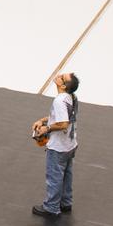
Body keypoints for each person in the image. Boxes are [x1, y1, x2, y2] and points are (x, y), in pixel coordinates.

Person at [32, 72, 79, 218]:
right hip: (70, 144)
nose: (58, 76)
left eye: (62, 77)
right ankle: (66, 202)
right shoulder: (72, 97)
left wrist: (47, 128)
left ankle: (51, 207)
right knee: (67, 175)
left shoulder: (59, 100)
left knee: (54, 177)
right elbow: (62, 116)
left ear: (63, 85)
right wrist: (43, 120)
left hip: (58, 147)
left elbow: (63, 123)